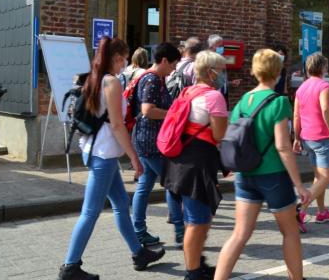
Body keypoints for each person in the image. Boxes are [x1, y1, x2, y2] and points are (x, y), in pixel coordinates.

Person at [58, 37, 164, 280]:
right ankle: (70, 267)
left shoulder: (92, 78)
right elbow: (117, 125)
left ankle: (139, 253)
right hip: (103, 155)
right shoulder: (112, 82)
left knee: (120, 205)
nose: (124, 63)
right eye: (124, 59)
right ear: (117, 58)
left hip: (95, 150)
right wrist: (134, 158)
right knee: (90, 212)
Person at [215, 49, 311, 280]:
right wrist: (299, 185)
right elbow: (282, 147)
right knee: (289, 232)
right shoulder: (279, 102)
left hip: (245, 174)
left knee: (240, 234)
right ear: (277, 72)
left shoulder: (242, 102)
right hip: (273, 175)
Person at [163, 50, 229, 279]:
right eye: (220, 70)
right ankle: (193, 273)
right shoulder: (214, 97)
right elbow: (219, 134)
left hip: (179, 160)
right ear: (210, 72)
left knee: (200, 219)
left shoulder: (187, 92)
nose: (222, 74)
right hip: (198, 163)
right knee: (197, 222)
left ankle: (197, 264)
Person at [131, 42, 183, 248]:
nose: (174, 69)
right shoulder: (152, 80)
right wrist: (173, 114)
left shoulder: (154, 78)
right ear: (163, 60)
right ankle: (180, 231)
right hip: (151, 142)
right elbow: (147, 110)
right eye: (173, 64)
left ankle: (139, 231)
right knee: (171, 183)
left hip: (145, 139)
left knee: (144, 185)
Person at [293, 53, 329, 232]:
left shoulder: (301, 88)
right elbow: (325, 108)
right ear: (323, 68)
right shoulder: (324, 86)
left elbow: (296, 114)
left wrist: (296, 137)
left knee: (319, 177)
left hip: (307, 136)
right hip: (322, 136)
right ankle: (302, 210)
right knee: (327, 177)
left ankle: (321, 212)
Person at [208, 34, 242, 101]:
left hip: (223, 94)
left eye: (222, 46)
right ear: (211, 47)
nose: (221, 48)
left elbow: (221, 80)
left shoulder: (220, 59)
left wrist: (230, 83)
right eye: (219, 46)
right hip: (214, 96)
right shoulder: (207, 60)